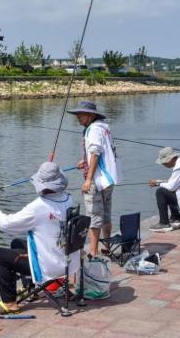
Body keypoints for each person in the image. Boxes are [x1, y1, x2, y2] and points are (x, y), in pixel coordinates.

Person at [0, 162, 79, 315]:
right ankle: (31, 288)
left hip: (48, 266)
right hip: (67, 263)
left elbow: (6, 224)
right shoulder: (68, 199)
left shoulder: (38, 207)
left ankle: (9, 303)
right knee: (17, 243)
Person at [67, 101, 120, 256]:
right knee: (106, 214)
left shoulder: (94, 129)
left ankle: (93, 253)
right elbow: (99, 153)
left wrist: (88, 179)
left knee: (94, 217)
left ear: (90, 115)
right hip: (109, 179)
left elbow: (96, 153)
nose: (78, 117)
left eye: (80, 114)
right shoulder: (104, 127)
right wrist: (84, 160)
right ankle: (107, 248)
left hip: (97, 180)